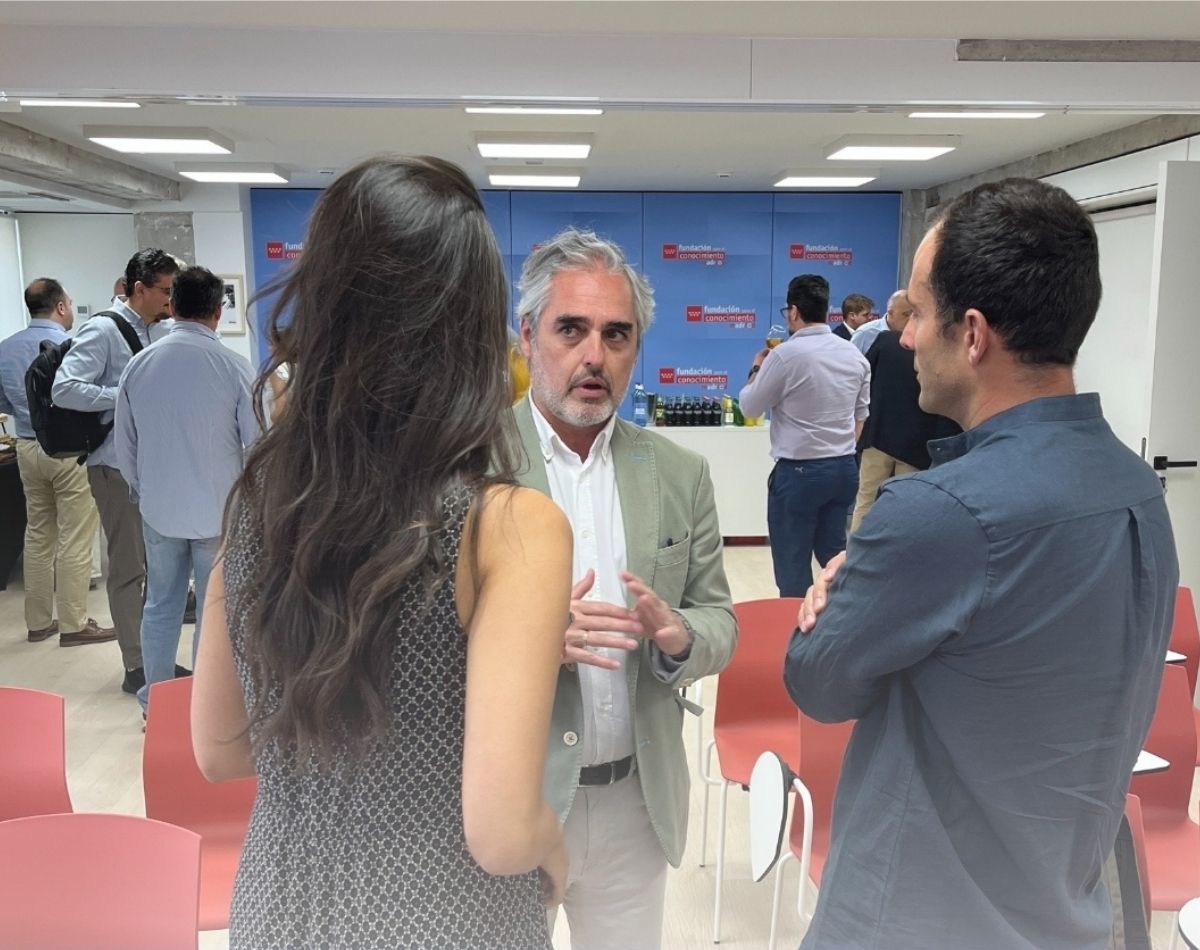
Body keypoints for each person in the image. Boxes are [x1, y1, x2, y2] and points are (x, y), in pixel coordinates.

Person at [784, 177, 1178, 950]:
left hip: (915, 922)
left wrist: (835, 591)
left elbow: (818, 682)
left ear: (971, 334)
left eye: (918, 313)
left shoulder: (939, 514)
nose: (904, 337)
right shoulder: (1138, 492)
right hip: (1064, 915)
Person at [191, 155, 572, 950]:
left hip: (280, 909)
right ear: (475, 326)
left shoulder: (261, 504)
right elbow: (502, 832)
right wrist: (552, 842)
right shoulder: (507, 526)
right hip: (448, 920)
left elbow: (218, 749)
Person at [513, 228, 737, 950]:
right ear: (527, 337)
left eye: (616, 334)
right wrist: (528, 646)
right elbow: (416, 645)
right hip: (512, 798)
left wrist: (680, 637)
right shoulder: (467, 465)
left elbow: (720, 619)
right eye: (570, 330)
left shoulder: (678, 474)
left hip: (636, 802)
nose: (594, 356)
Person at [114, 265, 260, 715]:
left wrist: (144, 493)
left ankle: (156, 705)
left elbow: (125, 445)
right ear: (218, 311)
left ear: (172, 306)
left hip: (159, 510)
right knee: (213, 612)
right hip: (218, 511)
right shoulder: (234, 367)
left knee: (160, 605)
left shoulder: (139, 365)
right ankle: (201, 707)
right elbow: (257, 445)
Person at [52, 248, 180, 694]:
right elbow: (65, 388)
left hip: (150, 468)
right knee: (128, 570)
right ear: (139, 288)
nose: (170, 300)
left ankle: (156, 659)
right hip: (113, 466)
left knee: (157, 570)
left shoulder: (156, 329)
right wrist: (123, 394)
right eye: (165, 291)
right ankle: (137, 666)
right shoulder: (103, 330)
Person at [739, 274, 869, 596]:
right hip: (843, 468)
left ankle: (797, 625)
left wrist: (756, 368)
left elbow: (750, 407)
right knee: (835, 562)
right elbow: (861, 415)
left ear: (794, 312)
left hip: (798, 474)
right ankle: (843, 622)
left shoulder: (784, 355)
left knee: (793, 567)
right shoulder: (854, 355)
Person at [0, 278, 113, 646]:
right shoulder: (71, 347)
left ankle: (37, 622)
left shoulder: (5, 349)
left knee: (38, 532)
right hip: (67, 453)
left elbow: (2, 403)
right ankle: (73, 624)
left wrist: (25, 413)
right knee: (75, 537)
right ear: (61, 307)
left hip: (26, 447)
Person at [849, 309, 959, 531]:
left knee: (866, 500)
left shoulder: (884, 342)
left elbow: (863, 381)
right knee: (906, 507)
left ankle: (857, 548)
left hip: (878, 437)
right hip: (915, 443)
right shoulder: (940, 351)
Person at [851, 287, 911, 356]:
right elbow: (849, 360)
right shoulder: (864, 333)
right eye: (906, 314)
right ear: (890, 313)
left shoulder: (915, 334)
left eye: (915, 314)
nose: (910, 319)